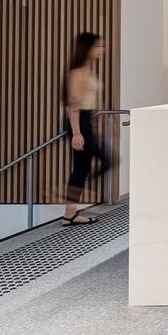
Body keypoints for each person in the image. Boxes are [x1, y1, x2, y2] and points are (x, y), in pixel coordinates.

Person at [61, 32, 111, 226]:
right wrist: (77, 133)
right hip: (79, 122)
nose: (102, 49)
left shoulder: (87, 70)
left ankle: (69, 214)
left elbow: (88, 100)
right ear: (88, 48)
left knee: (82, 168)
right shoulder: (77, 72)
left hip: (86, 120)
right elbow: (72, 104)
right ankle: (70, 211)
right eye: (98, 46)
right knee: (104, 161)